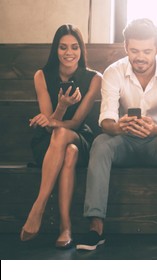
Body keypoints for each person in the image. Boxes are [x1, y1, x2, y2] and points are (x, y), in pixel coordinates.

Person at [76, 18, 157, 251]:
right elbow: (106, 119)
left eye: (147, 51)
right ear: (126, 47)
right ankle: (95, 226)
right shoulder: (114, 71)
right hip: (124, 140)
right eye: (134, 50)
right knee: (100, 143)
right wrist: (120, 126)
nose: (140, 57)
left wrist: (155, 129)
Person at [21, 24, 102, 249]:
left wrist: (59, 116)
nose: (69, 52)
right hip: (49, 142)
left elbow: (76, 123)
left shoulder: (94, 78)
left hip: (80, 136)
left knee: (68, 138)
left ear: (81, 50)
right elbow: (48, 125)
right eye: (63, 47)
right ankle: (65, 227)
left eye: (75, 47)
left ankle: (39, 205)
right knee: (68, 150)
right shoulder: (42, 76)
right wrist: (61, 108)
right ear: (55, 50)